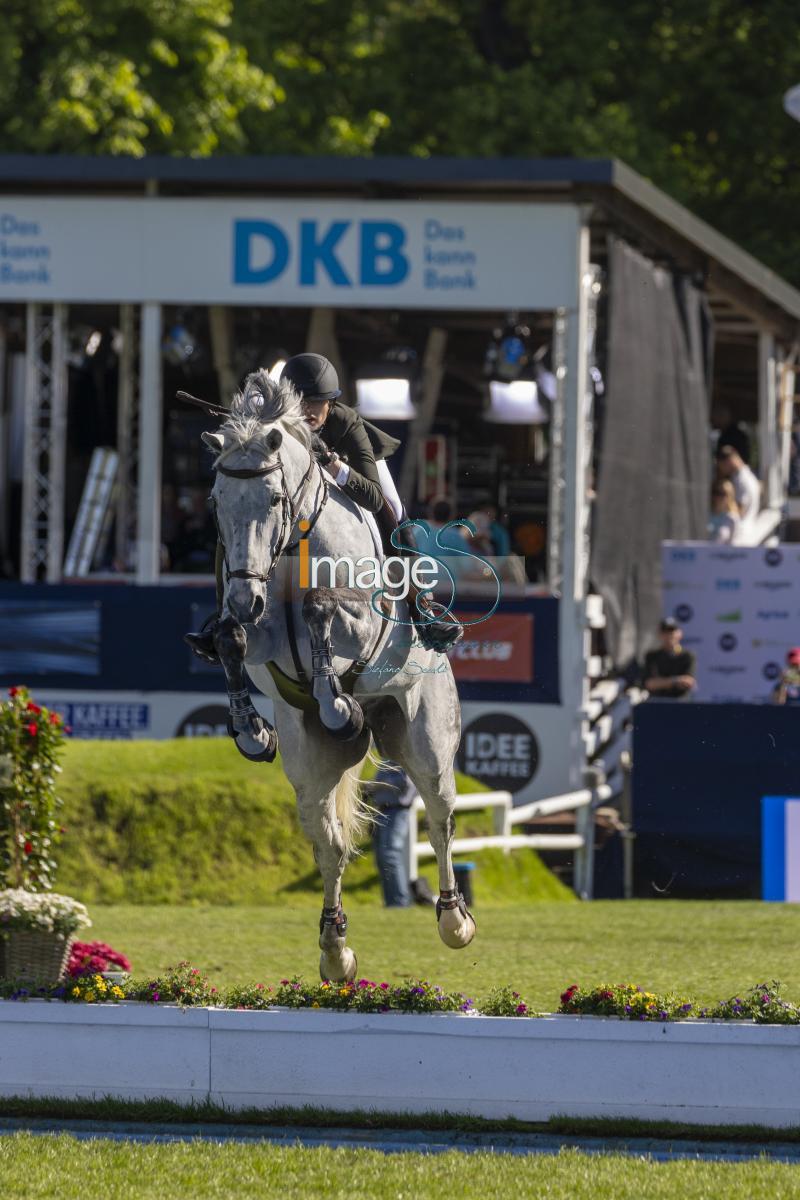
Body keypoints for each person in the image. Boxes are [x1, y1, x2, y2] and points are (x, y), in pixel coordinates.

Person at [185, 353, 463, 662]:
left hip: (356, 466)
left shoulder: (345, 422)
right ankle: (223, 616)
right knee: (238, 521)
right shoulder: (276, 421)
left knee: (394, 511)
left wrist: (336, 466)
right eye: (301, 400)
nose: (307, 410)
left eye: (317, 402)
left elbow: (372, 496)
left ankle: (421, 608)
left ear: (330, 402)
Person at [370, 762, 435, 907]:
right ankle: (390, 902)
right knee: (382, 858)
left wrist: (377, 785)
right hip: (383, 810)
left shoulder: (406, 758)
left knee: (391, 855)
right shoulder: (387, 761)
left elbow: (405, 783)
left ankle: (400, 901)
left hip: (398, 811)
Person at [642, 618, 696, 700]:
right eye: (665, 632)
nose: (669, 635)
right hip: (656, 704)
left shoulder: (687, 656)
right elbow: (649, 684)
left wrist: (661, 683)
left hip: (681, 704)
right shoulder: (652, 656)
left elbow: (689, 682)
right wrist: (676, 681)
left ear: (680, 633)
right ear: (660, 634)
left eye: (672, 631)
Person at [716, 445, 760, 537]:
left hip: (740, 534)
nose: (722, 471)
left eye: (722, 466)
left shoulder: (742, 481)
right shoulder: (746, 477)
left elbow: (740, 510)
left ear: (729, 461)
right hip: (745, 530)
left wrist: (722, 507)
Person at [708, 480, 742, 545]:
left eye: (723, 494)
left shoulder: (732, 518)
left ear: (730, 496)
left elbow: (734, 543)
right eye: (716, 492)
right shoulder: (707, 514)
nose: (718, 497)